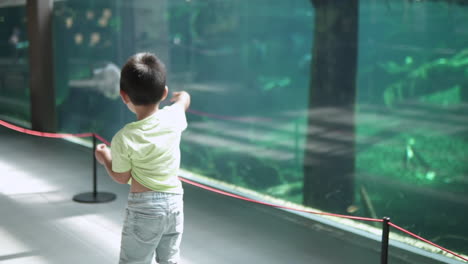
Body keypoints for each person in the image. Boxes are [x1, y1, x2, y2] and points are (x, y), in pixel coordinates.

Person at [94, 52, 190, 264]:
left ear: (124, 96)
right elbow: (183, 102)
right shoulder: (173, 117)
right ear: (164, 92)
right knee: (170, 260)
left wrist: (105, 158)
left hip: (144, 208)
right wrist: (182, 97)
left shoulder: (124, 137)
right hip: (174, 203)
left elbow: (121, 176)